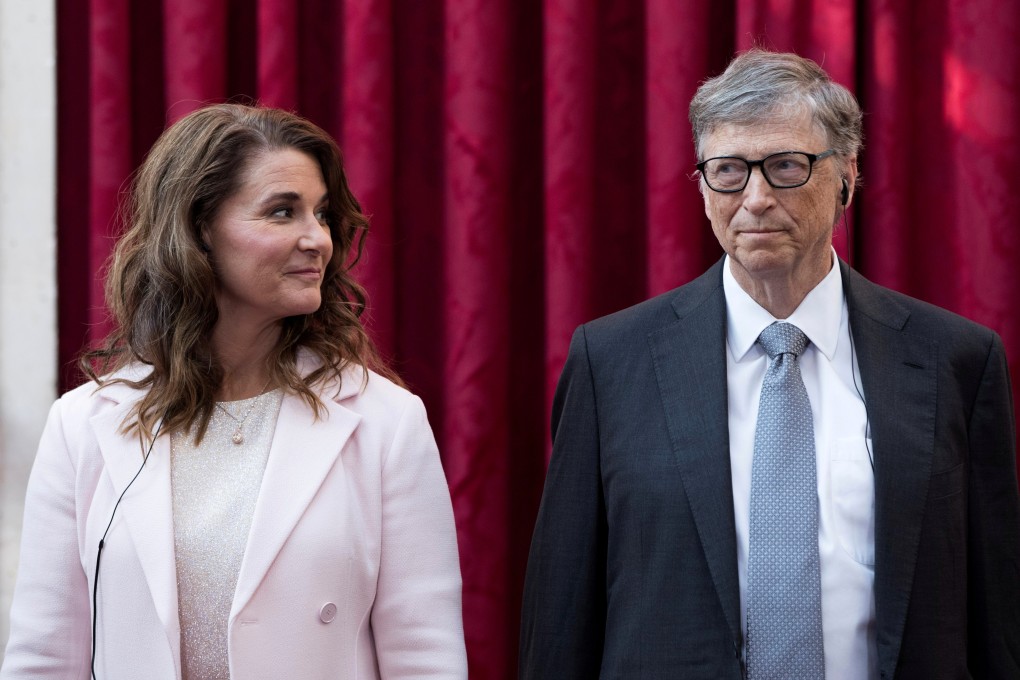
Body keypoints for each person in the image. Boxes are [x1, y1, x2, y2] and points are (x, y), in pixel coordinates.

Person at [519, 50, 1020, 679]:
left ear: (846, 176)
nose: (754, 198)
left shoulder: (957, 362)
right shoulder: (611, 363)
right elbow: (561, 621)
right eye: (728, 170)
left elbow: (997, 622)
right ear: (702, 186)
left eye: (786, 166)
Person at [1, 104, 467, 679]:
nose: (317, 238)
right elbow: (43, 658)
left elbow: (427, 657)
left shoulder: (386, 422)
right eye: (282, 212)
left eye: (321, 214)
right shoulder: (84, 424)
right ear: (198, 229)